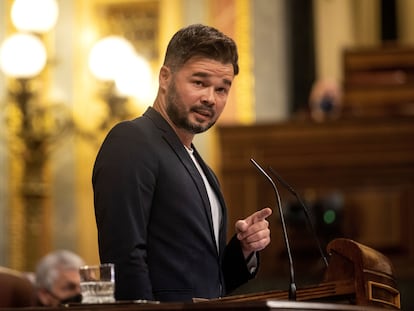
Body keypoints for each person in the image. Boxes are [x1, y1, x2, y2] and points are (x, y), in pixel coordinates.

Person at [92, 23, 272, 303]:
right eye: (199, 83)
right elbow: (125, 258)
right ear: (165, 77)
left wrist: (243, 250)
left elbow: (207, 282)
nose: (210, 99)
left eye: (222, 89)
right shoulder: (132, 141)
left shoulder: (204, 169)